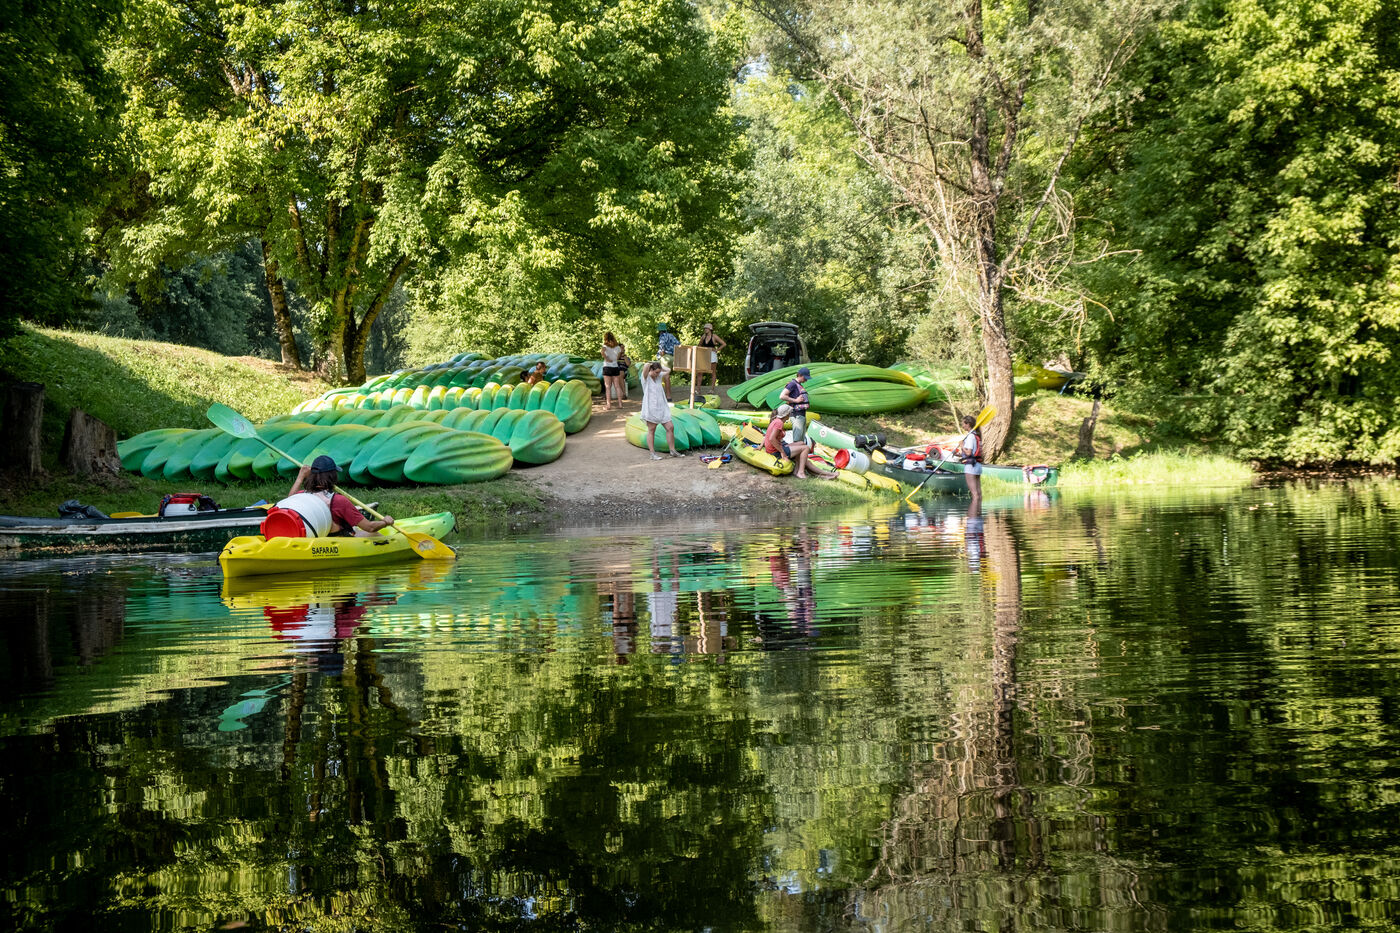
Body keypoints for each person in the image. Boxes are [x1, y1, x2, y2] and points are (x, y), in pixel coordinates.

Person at [275, 455, 395, 537]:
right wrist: (385, 522)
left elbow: (289, 502)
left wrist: (300, 477)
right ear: (332, 476)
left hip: (316, 536)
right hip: (337, 540)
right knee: (375, 534)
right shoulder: (338, 500)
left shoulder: (303, 496)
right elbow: (369, 527)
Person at [763, 404, 834, 479]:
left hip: (776, 448)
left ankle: (797, 470)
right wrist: (782, 452)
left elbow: (767, 435)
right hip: (775, 451)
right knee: (805, 448)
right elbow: (771, 438)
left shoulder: (776, 420)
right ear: (786, 414)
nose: (790, 414)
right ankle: (800, 472)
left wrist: (761, 446)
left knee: (801, 443)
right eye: (790, 412)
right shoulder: (779, 423)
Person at [640, 359, 685, 459]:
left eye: (659, 372)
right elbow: (646, 366)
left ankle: (672, 450)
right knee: (652, 430)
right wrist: (652, 363)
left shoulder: (659, 376)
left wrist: (660, 366)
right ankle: (652, 453)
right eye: (656, 372)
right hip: (651, 408)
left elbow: (668, 370)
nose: (658, 374)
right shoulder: (645, 378)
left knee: (670, 427)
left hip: (662, 407)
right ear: (651, 370)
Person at [955, 413, 983, 507]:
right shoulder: (976, 435)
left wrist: (962, 445)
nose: (962, 425)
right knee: (978, 493)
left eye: (963, 423)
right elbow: (970, 452)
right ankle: (978, 513)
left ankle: (973, 515)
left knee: (974, 495)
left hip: (971, 466)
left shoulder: (970, 436)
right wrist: (958, 454)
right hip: (977, 466)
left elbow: (968, 452)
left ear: (968, 424)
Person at [779, 366, 812, 443]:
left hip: (801, 414)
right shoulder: (792, 384)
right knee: (797, 440)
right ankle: (794, 450)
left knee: (801, 439)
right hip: (796, 414)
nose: (806, 380)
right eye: (805, 377)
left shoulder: (798, 384)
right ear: (799, 375)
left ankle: (799, 450)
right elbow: (782, 396)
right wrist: (796, 400)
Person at [601, 332, 626, 410]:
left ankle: (608, 406)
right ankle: (620, 404)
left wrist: (606, 358)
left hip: (607, 367)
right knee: (617, 386)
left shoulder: (605, 346)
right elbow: (618, 357)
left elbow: (602, 352)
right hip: (615, 367)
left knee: (608, 387)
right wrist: (614, 359)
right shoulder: (618, 347)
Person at [697, 323, 726, 388]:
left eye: (706, 328)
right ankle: (698, 389)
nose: (705, 329)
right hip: (704, 354)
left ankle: (712, 389)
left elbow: (724, 344)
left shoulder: (714, 336)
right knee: (700, 372)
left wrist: (717, 350)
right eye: (704, 328)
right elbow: (699, 345)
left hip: (712, 354)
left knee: (713, 372)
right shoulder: (703, 336)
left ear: (710, 329)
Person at [656, 322, 680, 401]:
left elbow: (662, 348)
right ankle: (666, 394)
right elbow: (678, 344)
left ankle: (668, 396)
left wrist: (660, 354)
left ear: (660, 330)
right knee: (666, 376)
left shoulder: (662, 336)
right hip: (673, 357)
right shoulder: (671, 335)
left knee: (665, 376)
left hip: (665, 358)